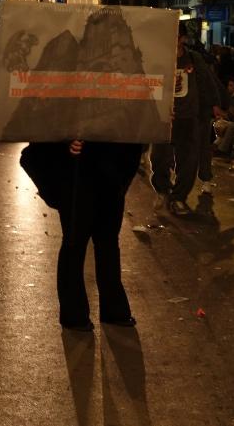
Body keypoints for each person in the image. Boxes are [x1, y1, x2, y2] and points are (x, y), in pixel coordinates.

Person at [20, 139, 142, 331]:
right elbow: (41, 140)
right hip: (77, 178)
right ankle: (75, 315)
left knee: (107, 243)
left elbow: (136, 129)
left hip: (110, 174)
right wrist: (64, 148)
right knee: (75, 244)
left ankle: (112, 309)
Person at [151, 31, 222, 214]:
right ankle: (162, 190)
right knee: (159, 157)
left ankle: (178, 198)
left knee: (189, 160)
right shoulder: (158, 58)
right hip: (164, 118)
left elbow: (207, 81)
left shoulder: (194, 58)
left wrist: (214, 104)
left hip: (189, 116)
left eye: (176, 36)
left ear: (181, 39)